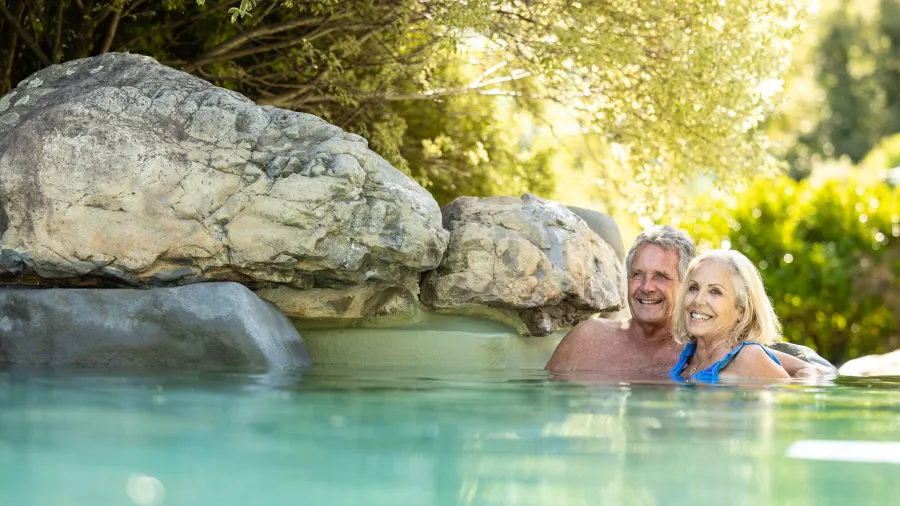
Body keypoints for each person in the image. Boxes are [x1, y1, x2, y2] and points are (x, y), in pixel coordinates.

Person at [545, 225, 833, 377]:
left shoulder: (716, 351)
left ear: (683, 287)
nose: (647, 287)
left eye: (661, 276)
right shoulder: (586, 339)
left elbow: (804, 372)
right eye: (637, 274)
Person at [670, 249, 788, 380]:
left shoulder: (749, 357)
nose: (698, 300)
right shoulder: (687, 356)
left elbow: (791, 398)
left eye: (715, 291)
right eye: (693, 288)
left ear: (741, 311)